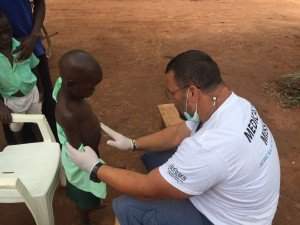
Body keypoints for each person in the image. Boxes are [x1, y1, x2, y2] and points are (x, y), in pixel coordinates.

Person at [67, 50, 280, 225]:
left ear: (193, 92)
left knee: (126, 208)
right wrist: (132, 144)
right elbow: (181, 131)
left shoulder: (209, 147)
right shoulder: (233, 104)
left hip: (229, 220)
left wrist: (95, 168)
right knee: (153, 157)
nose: (172, 98)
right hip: (245, 203)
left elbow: (148, 187)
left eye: (172, 93)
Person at [53, 50, 107, 225]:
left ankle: (91, 205)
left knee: (90, 194)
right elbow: (76, 148)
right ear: (71, 84)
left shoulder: (63, 84)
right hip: (82, 160)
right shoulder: (67, 113)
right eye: (90, 87)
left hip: (89, 150)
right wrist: (94, 165)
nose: (93, 90)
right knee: (84, 193)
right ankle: (84, 218)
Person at [0, 0, 58, 143]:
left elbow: (39, 3)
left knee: (46, 110)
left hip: (31, 48)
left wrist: (34, 36)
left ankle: (54, 153)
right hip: (4, 57)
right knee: (13, 121)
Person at [0, 11, 42, 141]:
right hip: (12, 103)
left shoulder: (23, 46)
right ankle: (20, 147)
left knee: (38, 124)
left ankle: (43, 144)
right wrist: (1, 107)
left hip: (32, 94)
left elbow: (34, 67)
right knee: (16, 130)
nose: (5, 37)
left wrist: (41, 89)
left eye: (7, 31)